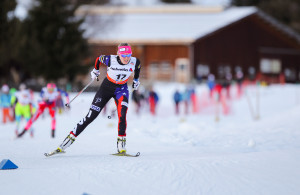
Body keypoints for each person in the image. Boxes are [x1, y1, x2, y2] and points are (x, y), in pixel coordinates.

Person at [49, 43, 141, 155]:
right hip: (106, 88)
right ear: (118, 54)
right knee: (90, 116)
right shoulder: (110, 59)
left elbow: (137, 69)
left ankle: (121, 147)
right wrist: (95, 70)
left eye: (128, 55)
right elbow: (98, 59)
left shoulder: (135, 61)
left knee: (122, 115)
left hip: (121, 90)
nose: (126, 58)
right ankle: (65, 144)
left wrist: (136, 80)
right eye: (124, 55)